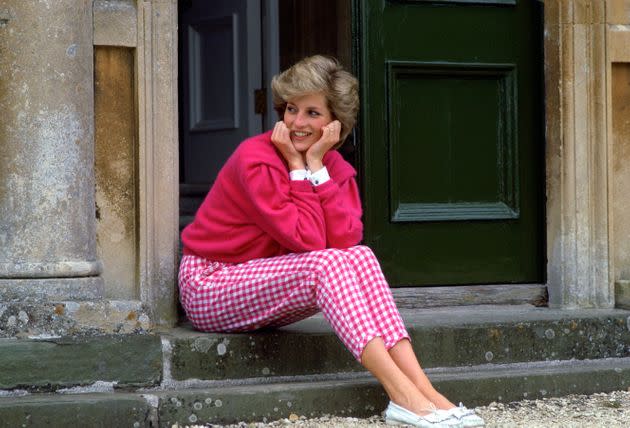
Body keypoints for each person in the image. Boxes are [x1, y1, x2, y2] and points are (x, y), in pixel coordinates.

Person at [179, 55, 484, 428]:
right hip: (211, 284)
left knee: (361, 255)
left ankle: (426, 393)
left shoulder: (334, 168)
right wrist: (295, 167)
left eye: (312, 113)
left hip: (264, 281)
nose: (298, 123)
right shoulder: (255, 159)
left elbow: (345, 241)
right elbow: (308, 241)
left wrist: (316, 168)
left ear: (335, 122)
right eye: (292, 109)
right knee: (330, 263)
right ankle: (401, 396)